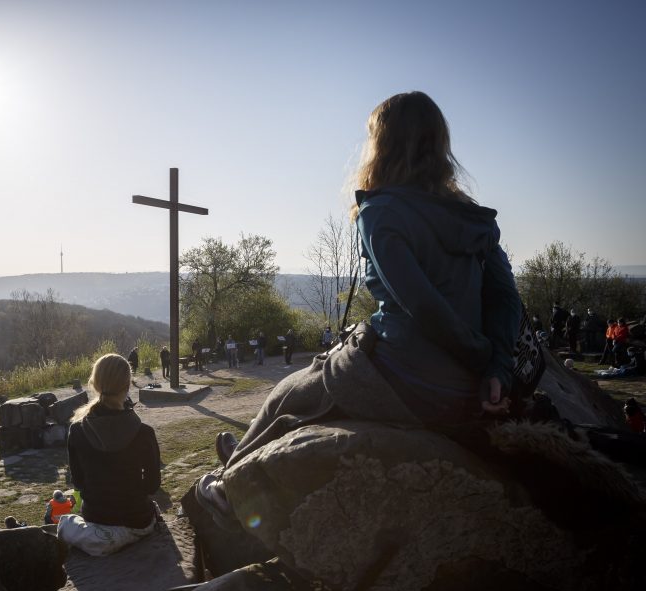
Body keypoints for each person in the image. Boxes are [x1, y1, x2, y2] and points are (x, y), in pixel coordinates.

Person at [202, 92, 522, 514]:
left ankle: (228, 484)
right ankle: (249, 451)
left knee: (293, 390)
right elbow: (506, 298)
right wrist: (497, 368)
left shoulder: (382, 211)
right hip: (472, 386)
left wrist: (480, 355)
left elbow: (422, 306)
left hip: (411, 379)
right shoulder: (473, 216)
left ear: (383, 144)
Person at [58, 353, 161, 556]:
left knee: (67, 523)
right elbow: (152, 486)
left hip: (96, 518)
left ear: (95, 383)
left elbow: (78, 483)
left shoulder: (77, 431)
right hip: (138, 521)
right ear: (127, 385)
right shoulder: (144, 433)